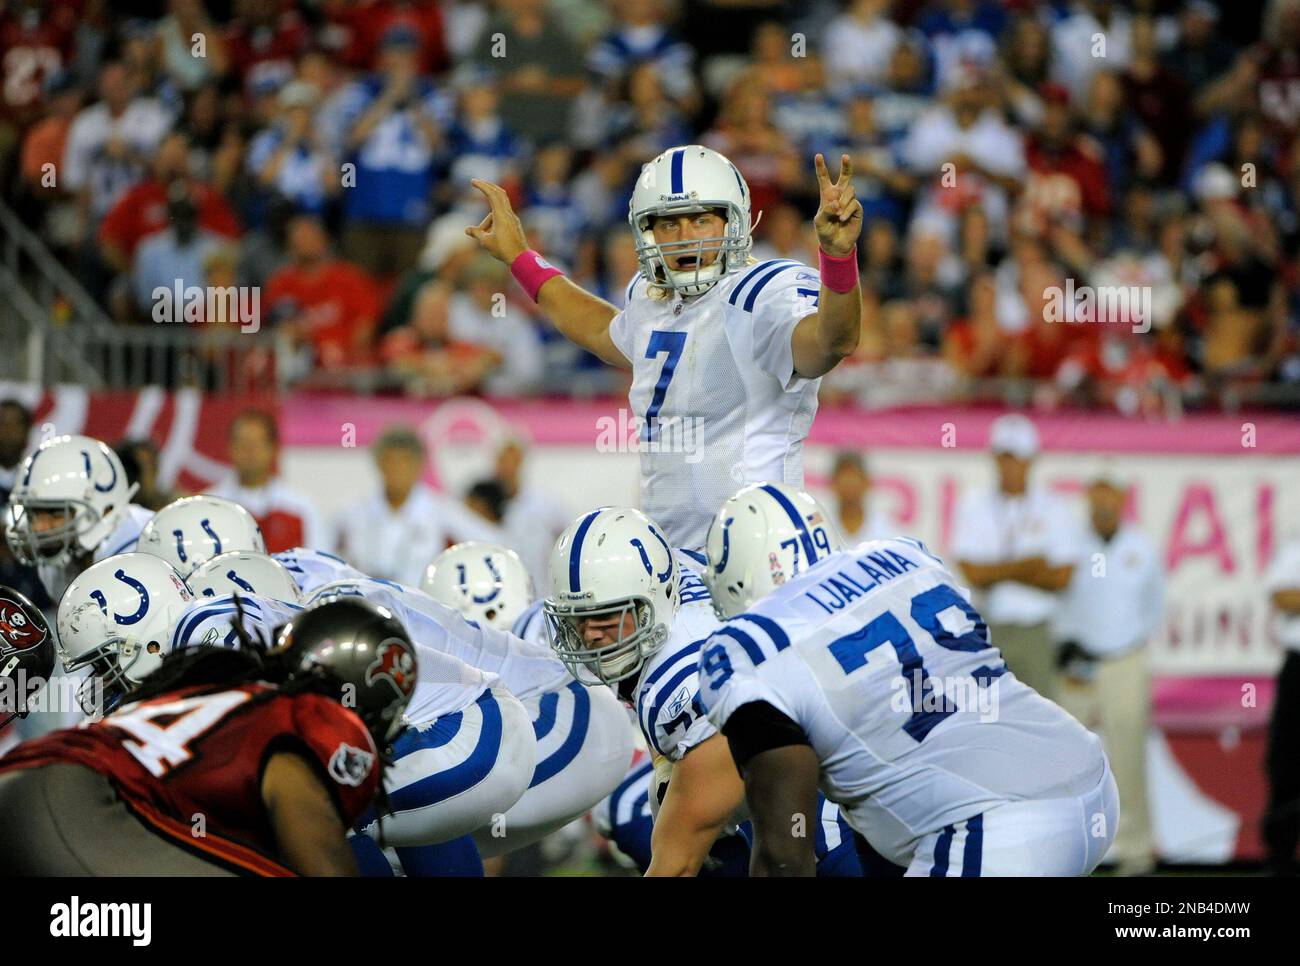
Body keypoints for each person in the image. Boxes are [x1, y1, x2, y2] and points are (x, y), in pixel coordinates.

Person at [696, 482, 1118, 876]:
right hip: (1087, 773)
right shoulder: (903, 557)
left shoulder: (748, 650)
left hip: (995, 827)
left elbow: (785, 855)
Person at [465, 144, 863, 548]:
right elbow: (602, 331)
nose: (684, 237)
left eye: (700, 220)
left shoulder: (761, 293)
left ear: (734, 221)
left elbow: (832, 341)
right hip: (675, 561)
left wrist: (838, 258)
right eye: (668, 224)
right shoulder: (651, 295)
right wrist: (521, 257)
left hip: (762, 552)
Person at [0, 596, 417, 876]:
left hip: (28, 777)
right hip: (83, 805)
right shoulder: (314, 717)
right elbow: (321, 860)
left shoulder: (217, 691)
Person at [1053, 472, 1163, 876]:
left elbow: (1155, 605)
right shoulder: (1071, 544)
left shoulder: (1142, 546)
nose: (1103, 500)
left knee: (1129, 757)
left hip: (1124, 661)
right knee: (1067, 762)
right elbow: (1060, 601)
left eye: (1110, 491)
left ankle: (1136, 853)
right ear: (1088, 495)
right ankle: (1066, 849)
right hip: (1077, 663)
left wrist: (1125, 642)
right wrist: (1069, 645)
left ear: (1121, 497)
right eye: (1096, 489)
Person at [951, 414, 1080, 700]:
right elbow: (972, 574)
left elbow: (1063, 577)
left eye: (1016, 458)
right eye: (1003, 457)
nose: (1009, 467)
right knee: (988, 716)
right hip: (988, 626)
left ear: (1031, 460)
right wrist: (1030, 565)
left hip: (1035, 629)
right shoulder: (974, 504)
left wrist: (997, 570)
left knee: (1041, 718)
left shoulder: (1055, 507)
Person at [335, 425, 502, 586]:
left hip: (418, 607)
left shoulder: (440, 509)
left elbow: (493, 542)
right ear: (379, 464)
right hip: (365, 604)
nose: (397, 469)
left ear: (419, 465)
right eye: (390, 461)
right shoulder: (354, 511)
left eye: (404, 461)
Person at [5, 433, 154, 601]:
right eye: (33, 513)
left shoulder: (150, 547)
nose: (39, 527)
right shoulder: (56, 566)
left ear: (104, 508)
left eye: (55, 513)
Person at [208, 409, 328, 554]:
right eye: (243, 443)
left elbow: (319, 567)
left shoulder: (301, 507)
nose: (250, 451)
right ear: (230, 447)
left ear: (273, 448)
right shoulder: (210, 506)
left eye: (257, 444)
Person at [1263, 534, 1300, 876]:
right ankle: (1281, 856)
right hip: (1298, 666)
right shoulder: (1295, 546)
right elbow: (1283, 595)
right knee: (1286, 760)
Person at [829, 451, 895, 543]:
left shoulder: (888, 531)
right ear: (833, 483)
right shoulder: (822, 528)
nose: (849, 482)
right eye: (844, 477)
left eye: (854, 476)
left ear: (866, 482)